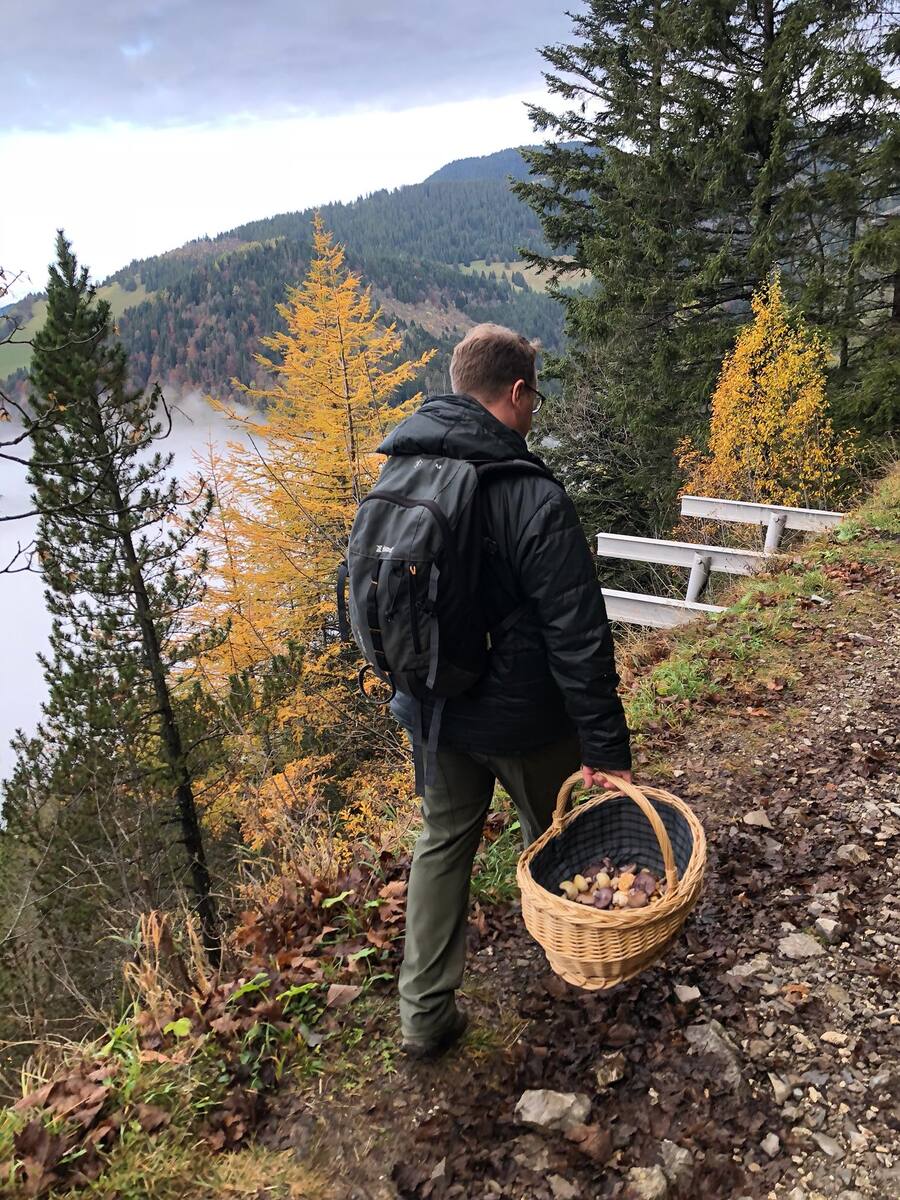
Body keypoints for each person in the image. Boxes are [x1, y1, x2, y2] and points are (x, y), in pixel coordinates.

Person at [377, 323, 632, 1058]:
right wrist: (606, 750)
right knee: (554, 834)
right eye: (535, 400)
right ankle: (569, 966)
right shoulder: (530, 496)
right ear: (516, 393)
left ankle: (422, 1016)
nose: (535, 414)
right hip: (524, 723)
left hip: (432, 709)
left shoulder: (398, 474)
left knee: (442, 845)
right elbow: (578, 636)